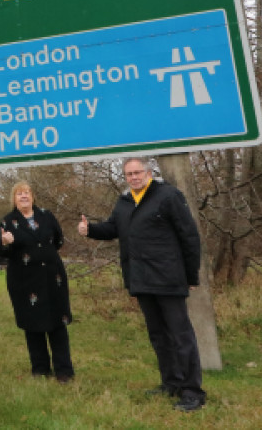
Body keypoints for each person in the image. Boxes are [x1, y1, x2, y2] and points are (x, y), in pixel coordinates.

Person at [78, 157, 207, 412]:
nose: (134, 177)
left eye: (138, 172)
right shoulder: (125, 202)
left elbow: (189, 236)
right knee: (159, 336)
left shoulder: (168, 196)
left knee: (181, 336)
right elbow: (113, 229)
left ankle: (193, 392)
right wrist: (89, 229)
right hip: (141, 279)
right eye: (129, 174)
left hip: (169, 278)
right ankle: (171, 383)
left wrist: (191, 276)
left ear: (149, 173)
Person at [0, 181, 75, 382]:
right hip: (24, 281)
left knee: (57, 324)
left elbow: (58, 240)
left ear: (33, 197)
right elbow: (0, 251)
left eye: (27, 193)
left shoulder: (46, 216)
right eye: (19, 194)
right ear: (14, 199)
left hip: (52, 278)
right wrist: (5, 244)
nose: (24, 196)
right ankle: (40, 370)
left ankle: (64, 371)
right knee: (33, 325)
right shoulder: (7, 222)